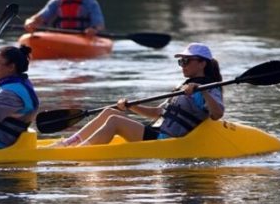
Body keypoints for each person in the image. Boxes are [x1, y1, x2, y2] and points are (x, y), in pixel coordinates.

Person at [54, 43, 224, 147]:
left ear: (202, 63)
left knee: (114, 121)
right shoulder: (183, 86)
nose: (182, 65)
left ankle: (80, 153)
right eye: (181, 61)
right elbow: (158, 112)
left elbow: (217, 114)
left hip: (166, 141)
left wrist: (202, 91)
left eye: (186, 61)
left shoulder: (210, 88)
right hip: (156, 132)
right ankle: (68, 144)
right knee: (109, 112)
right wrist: (131, 106)